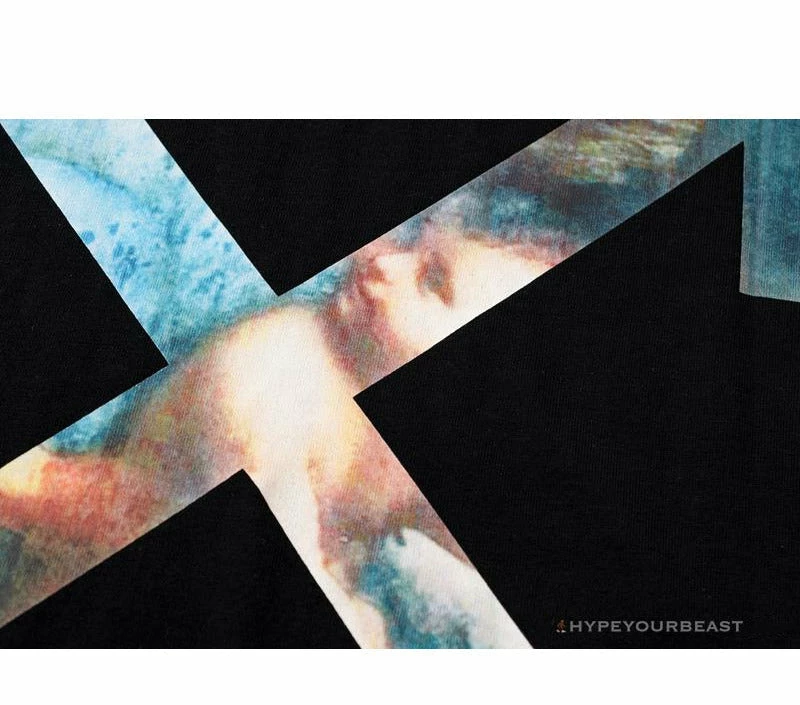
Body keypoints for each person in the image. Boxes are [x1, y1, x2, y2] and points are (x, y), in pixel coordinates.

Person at [0, 222, 570, 646]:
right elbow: (268, 519)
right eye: (412, 246)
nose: (383, 262)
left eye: (431, 279)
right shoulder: (285, 361)